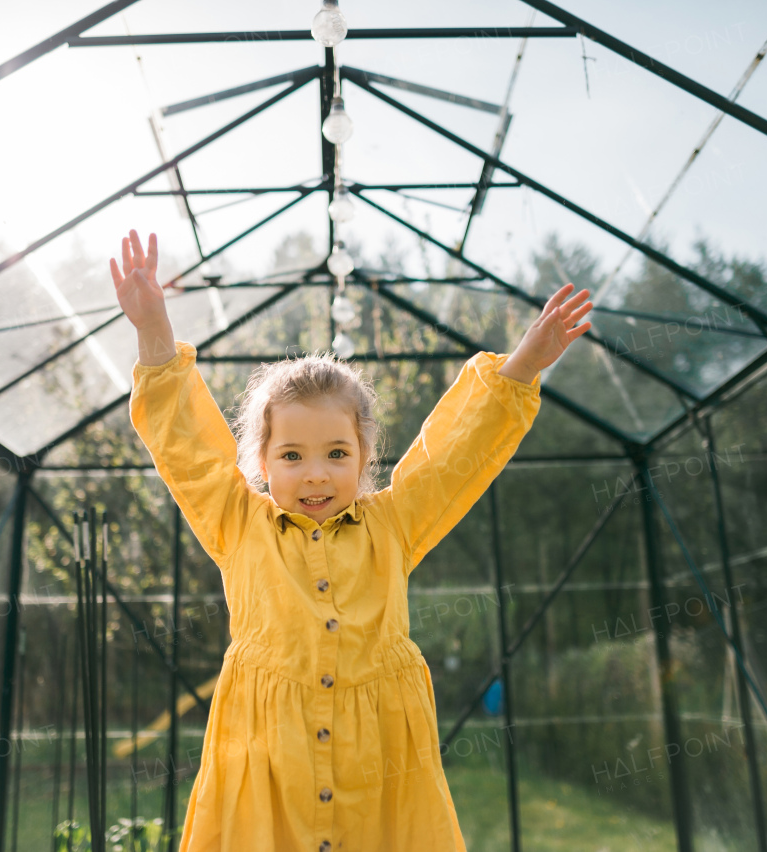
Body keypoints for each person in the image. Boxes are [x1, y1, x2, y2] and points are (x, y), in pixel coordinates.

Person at [111, 230, 592, 852]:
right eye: (293, 455)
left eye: (337, 453)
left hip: (381, 759)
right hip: (266, 757)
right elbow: (189, 450)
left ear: (364, 456)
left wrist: (524, 363)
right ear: (262, 461)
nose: (315, 472)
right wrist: (153, 330)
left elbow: (453, 456)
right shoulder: (235, 521)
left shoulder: (394, 523)